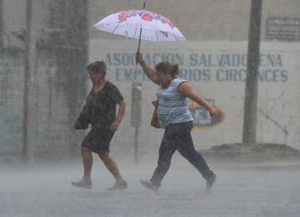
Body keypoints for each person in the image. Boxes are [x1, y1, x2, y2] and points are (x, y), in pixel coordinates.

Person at [135, 52, 224, 192]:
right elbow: (151, 75)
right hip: (173, 125)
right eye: (157, 75)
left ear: (167, 74)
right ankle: (209, 176)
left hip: (180, 124)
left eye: (160, 75)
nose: (157, 78)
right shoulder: (162, 82)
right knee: (190, 154)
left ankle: (155, 182)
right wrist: (142, 62)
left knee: (164, 151)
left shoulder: (180, 84)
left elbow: (195, 96)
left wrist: (210, 108)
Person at [71, 61, 128, 190]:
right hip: (96, 125)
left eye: (92, 74)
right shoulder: (95, 86)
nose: (90, 77)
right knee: (103, 153)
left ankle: (86, 179)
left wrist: (117, 121)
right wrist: (86, 103)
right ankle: (120, 181)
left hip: (106, 126)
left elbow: (122, 104)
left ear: (100, 74)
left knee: (85, 147)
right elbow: (93, 99)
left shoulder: (109, 87)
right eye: (89, 74)